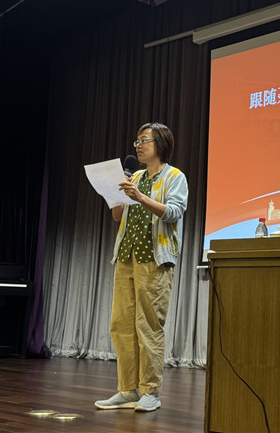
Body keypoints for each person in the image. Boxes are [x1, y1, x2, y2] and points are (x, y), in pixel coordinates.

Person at [95, 122, 188, 412]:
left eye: (144, 140)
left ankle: (150, 391)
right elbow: (117, 217)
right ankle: (127, 389)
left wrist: (141, 197)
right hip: (126, 255)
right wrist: (113, 194)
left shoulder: (174, 176)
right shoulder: (133, 176)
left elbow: (174, 212)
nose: (138, 146)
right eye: (137, 141)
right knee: (121, 324)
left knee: (148, 325)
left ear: (161, 144)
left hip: (154, 259)